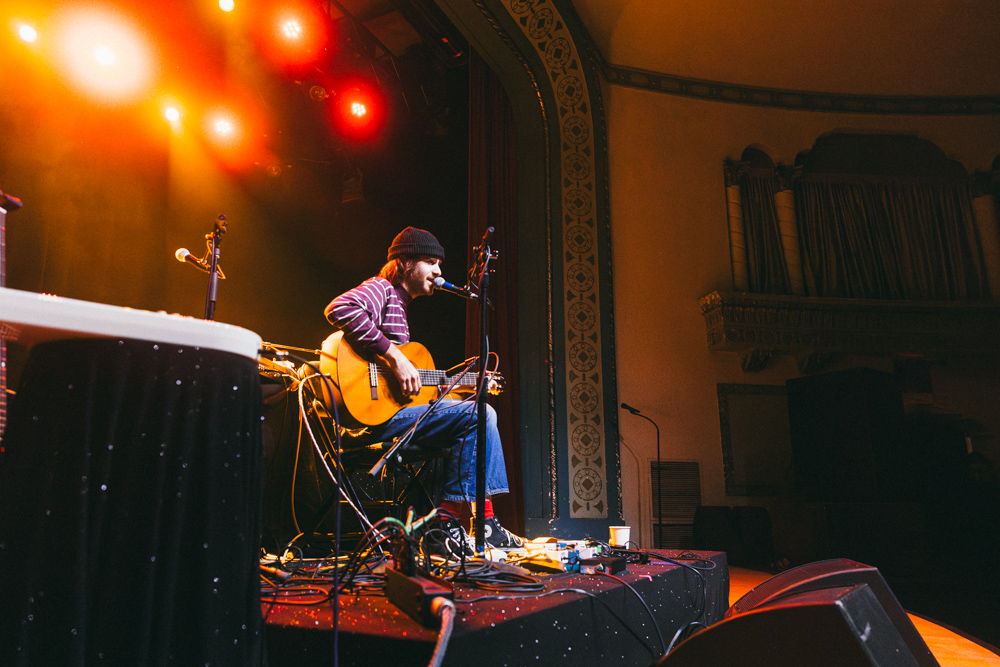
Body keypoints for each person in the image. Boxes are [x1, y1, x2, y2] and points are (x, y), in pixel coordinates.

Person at [324, 226, 523, 552]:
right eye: (431, 262)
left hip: (397, 414)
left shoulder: (399, 307)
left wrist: (458, 386)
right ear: (404, 263)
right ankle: (449, 525)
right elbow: (339, 308)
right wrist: (393, 356)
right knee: (480, 414)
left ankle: (480, 523)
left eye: (439, 265)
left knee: (478, 415)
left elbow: (412, 391)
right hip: (371, 421)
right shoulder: (381, 290)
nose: (439, 271)